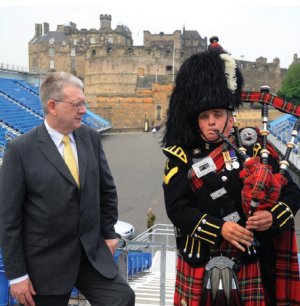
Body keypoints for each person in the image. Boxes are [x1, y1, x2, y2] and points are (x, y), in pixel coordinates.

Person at [161, 45, 300, 305]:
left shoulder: (255, 147)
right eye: (205, 116)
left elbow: (292, 191)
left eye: (218, 114)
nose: (212, 122)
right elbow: (177, 208)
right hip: (202, 255)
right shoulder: (182, 156)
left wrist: (272, 216)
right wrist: (221, 228)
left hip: (250, 255)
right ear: (196, 121)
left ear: (230, 116)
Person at [0, 72, 135, 306]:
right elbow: (8, 219)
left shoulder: (90, 137)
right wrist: (17, 276)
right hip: (45, 264)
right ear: (52, 106)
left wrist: (109, 232)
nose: (84, 110)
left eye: (84, 103)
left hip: (90, 256)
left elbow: (106, 190)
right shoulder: (20, 150)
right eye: (77, 104)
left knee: (122, 298)